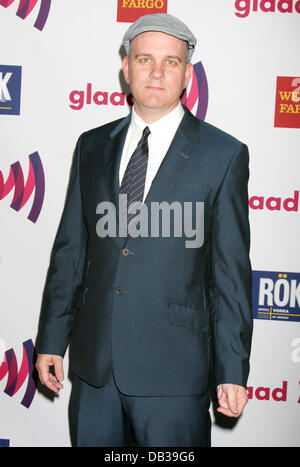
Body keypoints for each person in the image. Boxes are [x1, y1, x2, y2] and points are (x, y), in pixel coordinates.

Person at [35, 13, 253, 447]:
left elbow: (230, 275)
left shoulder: (223, 155)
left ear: (188, 74)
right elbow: (70, 252)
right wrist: (52, 339)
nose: (156, 72)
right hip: (95, 371)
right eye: (145, 59)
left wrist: (232, 369)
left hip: (174, 373)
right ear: (126, 67)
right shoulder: (91, 146)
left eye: (170, 62)